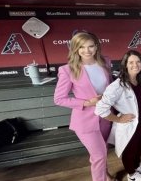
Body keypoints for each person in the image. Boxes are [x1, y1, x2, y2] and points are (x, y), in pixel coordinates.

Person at [53, 32, 113, 181]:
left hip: (106, 116)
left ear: (96, 46)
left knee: (102, 151)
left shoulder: (105, 61)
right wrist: (86, 103)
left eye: (91, 46)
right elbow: (59, 99)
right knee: (99, 155)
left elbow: (110, 86)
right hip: (85, 120)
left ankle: (105, 174)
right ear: (75, 49)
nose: (87, 51)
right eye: (82, 47)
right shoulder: (67, 70)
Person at [95, 50, 141, 181]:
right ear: (125, 64)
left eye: (138, 62)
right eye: (131, 62)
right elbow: (100, 108)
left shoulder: (140, 80)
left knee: (138, 147)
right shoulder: (118, 85)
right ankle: (131, 174)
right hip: (130, 124)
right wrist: (118, 119)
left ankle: (137, 166)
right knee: (129, 150)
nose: (135, 65)